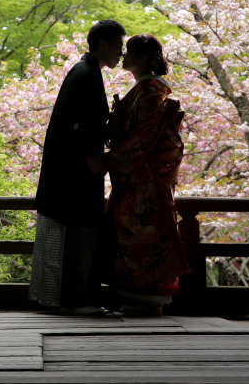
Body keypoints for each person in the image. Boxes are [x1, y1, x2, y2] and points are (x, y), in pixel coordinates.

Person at [29, 19, 126, 315]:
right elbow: (78, 129)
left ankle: (72, 298)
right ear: (104, 43)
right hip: (75, 176)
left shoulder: (85, 71)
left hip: (72, 173)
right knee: (77, 238)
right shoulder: (86, 74)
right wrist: (97, 161)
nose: (121, 53)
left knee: (76, 238)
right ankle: (76, 300)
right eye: (119, 45)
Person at [103, 34, 190, 316]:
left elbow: (142, 138)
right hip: (139, 176)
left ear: (141, 58)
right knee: (136, 235)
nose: (124, 56)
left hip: (144, 179)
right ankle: (139, 300)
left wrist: (108, 160)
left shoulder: (151, 91)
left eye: (129, 52)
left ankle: (146, 300)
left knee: (143, 235)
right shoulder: (148, 89)